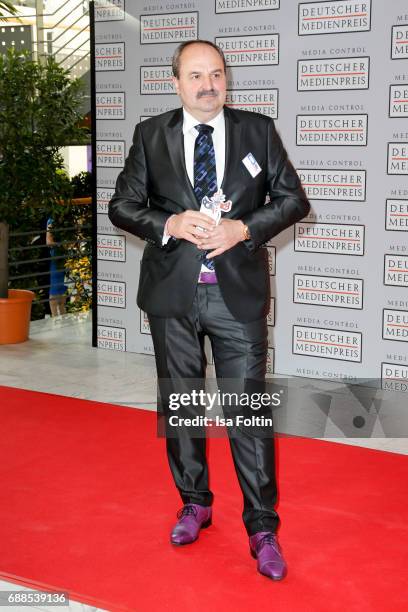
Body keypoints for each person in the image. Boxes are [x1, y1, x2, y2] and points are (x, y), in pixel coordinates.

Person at [108, 39, 310, 581]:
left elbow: (293, 200)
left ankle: (262, 526)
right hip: (172, 295)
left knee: (247, 412)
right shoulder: (151, 134)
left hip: (235, 293)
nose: (207, 85)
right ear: (175, 82)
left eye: (216, 74)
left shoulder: (257, 131)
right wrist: (169, 225)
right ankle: (194, 502)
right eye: (195, 75)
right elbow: (122, 205)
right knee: (182, 408)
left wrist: (244, 228)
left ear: (226, 79)